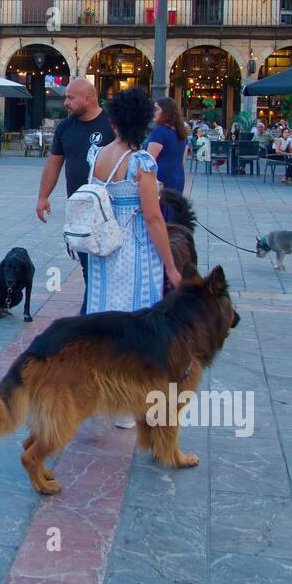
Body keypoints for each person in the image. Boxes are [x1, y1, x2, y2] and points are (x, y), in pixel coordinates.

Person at [88, 88, 184, 428]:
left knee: (103, 316)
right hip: (134, 248)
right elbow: (154, 217)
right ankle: (126, 403)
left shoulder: (98, 156)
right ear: (144, 123)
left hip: (104, 248)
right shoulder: (142, 162)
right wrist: (171, 266)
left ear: (113, 121)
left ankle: (100, 394)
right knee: (134, 320)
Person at [36, 77, 114, 315]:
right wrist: (43, 197)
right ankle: (93, 309)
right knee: (86, 262)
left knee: (106, 263)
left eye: (71, 97)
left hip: (108, 208)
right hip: (79, 209)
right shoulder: (65, 127)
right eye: (66, 97)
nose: (66, 102)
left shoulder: (111, 124)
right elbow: (53, 164)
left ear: (88, 99)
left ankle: (92, 311)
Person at [146, 96, 188, 196]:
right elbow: (183, 160)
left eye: (156, 109)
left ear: (166, 112)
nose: (153, 112)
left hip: (161, 180)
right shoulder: (180, 132)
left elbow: (147, 162)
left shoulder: (160, 132)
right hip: (178, 178)